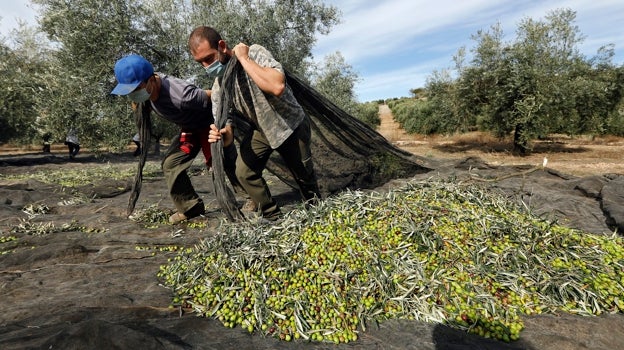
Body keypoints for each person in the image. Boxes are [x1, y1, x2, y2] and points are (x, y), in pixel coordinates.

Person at [188, 26, 321, 221]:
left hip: (290, 124)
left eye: (209, 58)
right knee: (244, 172)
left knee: (304, 177)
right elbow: (228, 129)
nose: (206, 67)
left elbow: (277, 86)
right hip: (263, 131)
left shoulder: (254, 53)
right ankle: (274, 217)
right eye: (200, 63)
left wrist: (243, 58)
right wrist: (223, 135)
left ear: (222, 46)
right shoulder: (219, 88)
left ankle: (317, 213)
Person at [111, 54, 216, 224]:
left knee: (221, 163)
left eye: (135, 89)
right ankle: (190, 207)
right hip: (189, 129)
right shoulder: (146, 90)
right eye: (129, 91)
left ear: (151, 80)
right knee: (171, 164)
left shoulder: (182, 95)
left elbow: (213, 95)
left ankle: (254, 199)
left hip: (207, 123)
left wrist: (225, 127)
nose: (133, 94)